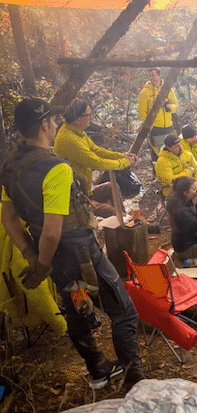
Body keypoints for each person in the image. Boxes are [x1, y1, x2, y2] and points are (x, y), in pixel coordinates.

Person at [0, 98, 145, 390]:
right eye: (54, 121)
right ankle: (135, 379)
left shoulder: (10, 167)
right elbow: (53, 231)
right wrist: (41, 263)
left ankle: (98, 370)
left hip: (55, 260)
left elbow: (9, 217)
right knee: (123, 310)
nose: (56, 125)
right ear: (44, 124)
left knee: (77, 304)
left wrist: (33, 256)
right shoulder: (56, 168)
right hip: (80, 255)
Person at [53, 99, 136, 218]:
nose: (90, 118)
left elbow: (96, 150)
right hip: (76, 198)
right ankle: (123, 220)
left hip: (86, 190)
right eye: (88, 115)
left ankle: (124, 220)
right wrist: (123, 163)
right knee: (116, 214)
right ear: (77, 119)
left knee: (112, 187)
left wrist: (121, 156)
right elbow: (97, 163)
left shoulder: (76, 131)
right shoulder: (69, 139)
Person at [155, 134, 197, 213]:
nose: (180, 147)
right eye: (176, 146)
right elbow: (172, 181)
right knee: (190, 194)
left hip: (191, 184)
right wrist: (187, 172)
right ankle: (191, 215)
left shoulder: (187, 154)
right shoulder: (162, 161)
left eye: (180, 144)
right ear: (169, 148)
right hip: (173, 188)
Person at [138, 68, 178, 159]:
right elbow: (142, 112)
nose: (151, 77)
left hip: (169, 127)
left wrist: (171, 107)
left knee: (172, 153)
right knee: (158, 154)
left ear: (159, 75)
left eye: (153, 75)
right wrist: (150, 126)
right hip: (155, 128)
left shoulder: (168, 89)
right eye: (150, 75)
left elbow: (176, 104)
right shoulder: (144, 92)